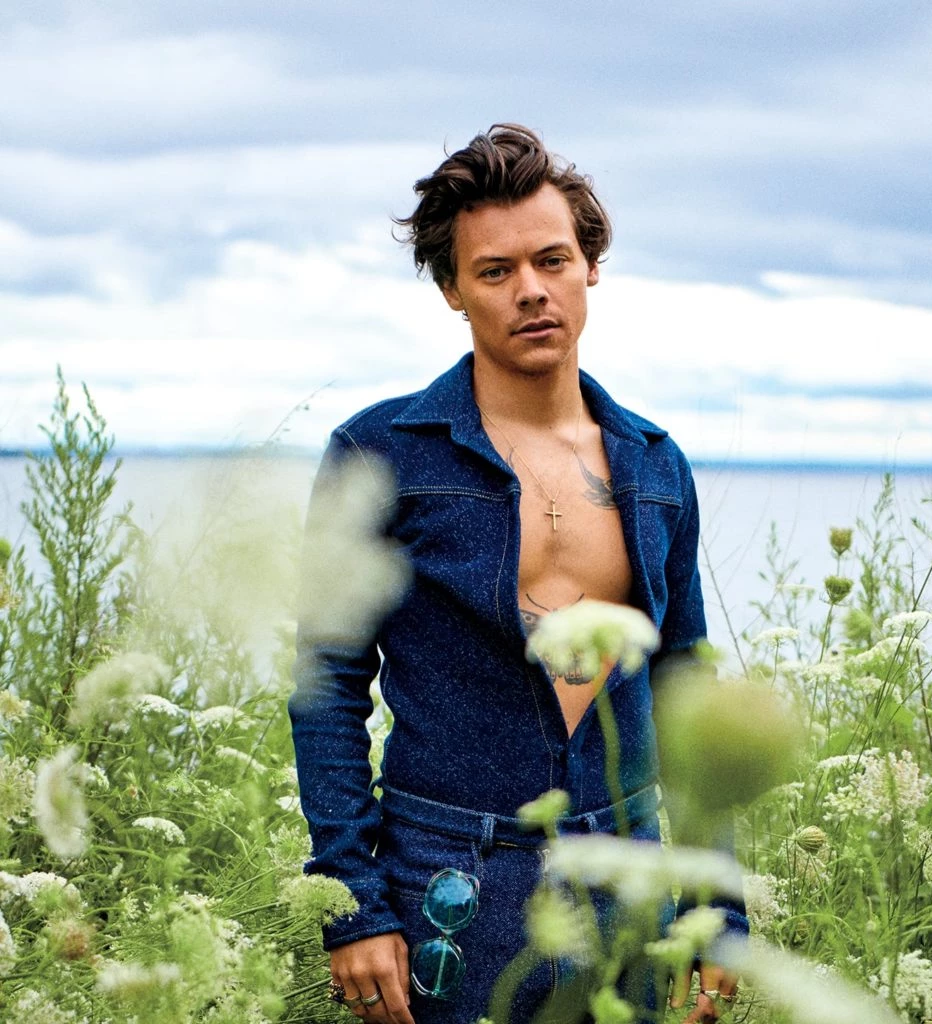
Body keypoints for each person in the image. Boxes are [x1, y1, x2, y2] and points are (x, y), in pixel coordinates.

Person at [289, 124, 746, 1024]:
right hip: (450, 891)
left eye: (552, 260)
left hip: (630, 883)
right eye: (495, 271)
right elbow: (328, 682)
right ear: (452, 290)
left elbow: (686, 691)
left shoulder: (657, 467)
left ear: (590, 267)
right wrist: (353, 906)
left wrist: (716, 907)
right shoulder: (380, 454)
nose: (531, 289)